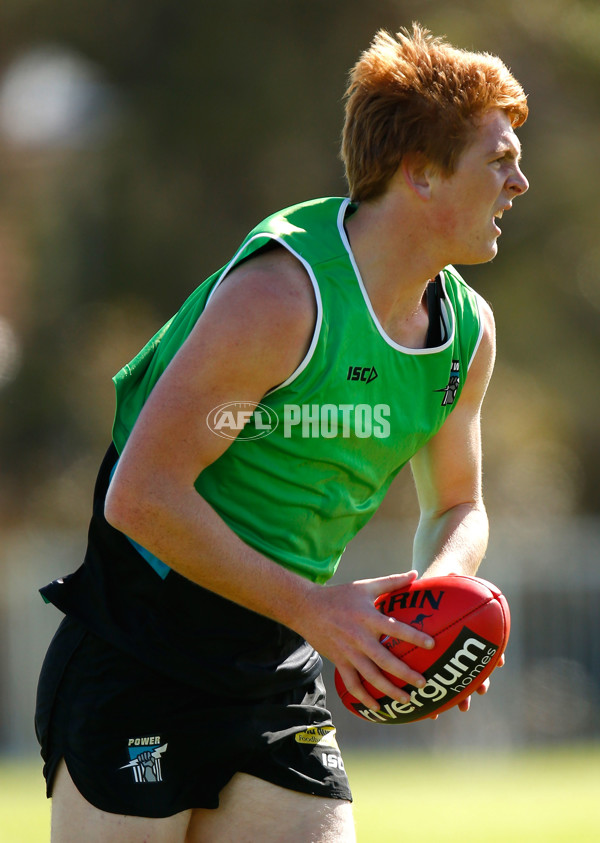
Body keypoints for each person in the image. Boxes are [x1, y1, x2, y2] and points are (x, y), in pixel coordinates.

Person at [35, 22, 529, 843]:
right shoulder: (280, 298)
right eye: (498, 159)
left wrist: (436, 600)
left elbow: (460, 503)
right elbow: (141, 496)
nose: (519, 181)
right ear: (422, 176)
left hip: (275, 664)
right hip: (141, 652)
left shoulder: (466, 334)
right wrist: (318, 610)